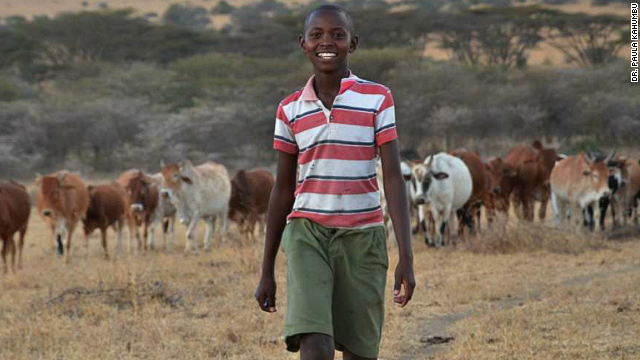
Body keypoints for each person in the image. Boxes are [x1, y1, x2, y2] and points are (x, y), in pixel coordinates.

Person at [255, 4, 415, 360]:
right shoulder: (290, 109)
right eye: (317, 35)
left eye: (337, 35)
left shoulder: (377, 98)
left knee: (360, 351)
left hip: (364, 236)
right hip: (307, 233)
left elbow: (392, 175)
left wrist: (406, 255)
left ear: (352, 43)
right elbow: (282, 189)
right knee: (314, 344)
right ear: (303, 43)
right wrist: (266, 270)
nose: (327, 42)